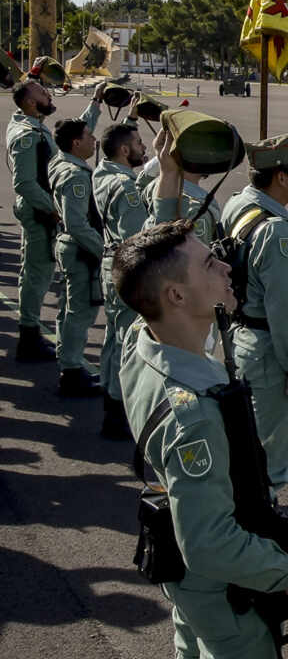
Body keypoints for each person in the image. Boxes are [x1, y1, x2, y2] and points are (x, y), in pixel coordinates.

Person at [114, 191, 288, 659]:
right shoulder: (195, 415)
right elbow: (209, 544)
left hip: (186, 580)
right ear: (176, 295)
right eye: (210, 264)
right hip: (222, 593)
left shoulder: (142, 339)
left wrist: (169, 182)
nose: (227, 267)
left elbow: (140, 265)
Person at [220, 132, 288, 493]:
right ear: (280, 177)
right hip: (270, 353)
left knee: (248, 443)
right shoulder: (276, 233)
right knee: (271, 452)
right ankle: (263, 523)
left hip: (243, 338)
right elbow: (287, 309)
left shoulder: (239, 204)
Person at [7, 79, 101, 362]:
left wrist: (95, 104)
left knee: (37, 274)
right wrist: (56, 208)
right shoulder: (26, 134)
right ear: (31, 103)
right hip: (39, 213)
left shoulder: (33, 125)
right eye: (43, 93)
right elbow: (23, 183)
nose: (49, 95)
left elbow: (72, 140)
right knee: (36, 276)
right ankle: (29, 337)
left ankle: (31, 332)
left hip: (42, 211)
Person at [94, 112, 151, 435]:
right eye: (139, 144)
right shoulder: (126, 188)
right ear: (124, 151)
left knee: (113, 337)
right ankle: (118, 411)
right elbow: (136, 238)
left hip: (107, 262)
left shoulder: (103, 173)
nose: (144, 149)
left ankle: (108, 395)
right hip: (124, 265)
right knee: (128, 341)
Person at [49, 115, 106, 396]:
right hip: (80, 250)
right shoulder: (75, 175)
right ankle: (71, 370)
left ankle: (68, 361)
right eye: (88, 135)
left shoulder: (61, 162)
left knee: (68, 310)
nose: (94, 140)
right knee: (79, 312)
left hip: (67, 247)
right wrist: (104, 250)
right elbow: (77, 223)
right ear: (76, 143)